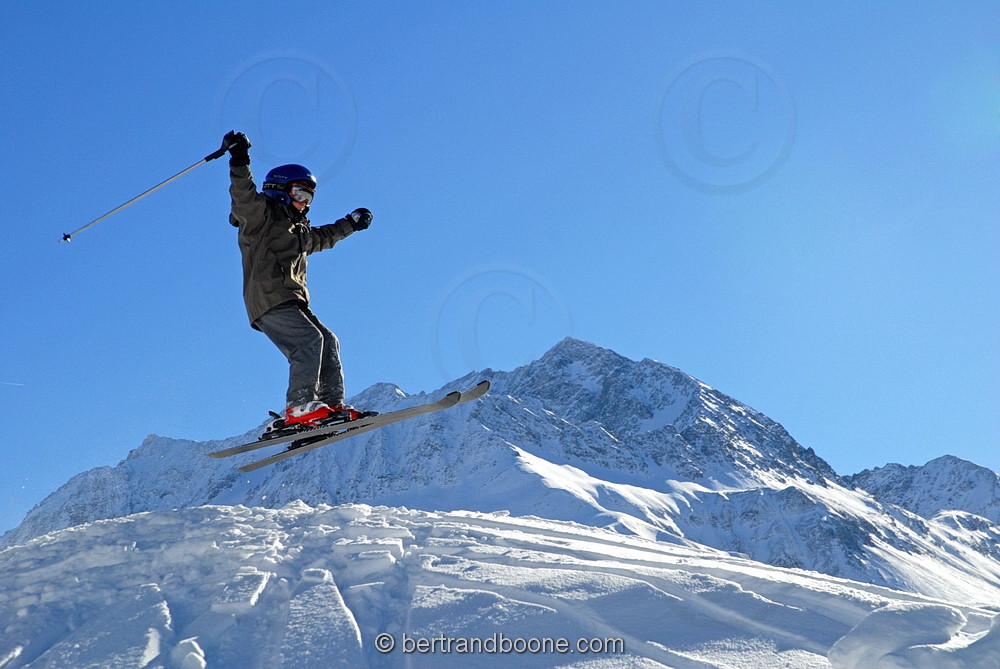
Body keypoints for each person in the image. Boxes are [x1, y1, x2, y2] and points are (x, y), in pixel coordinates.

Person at [222, 131, 374, 437]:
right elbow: (243, 194)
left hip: (290, 300)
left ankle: (328, 407)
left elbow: (323, 237)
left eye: (309, 198)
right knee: (309, 342)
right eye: (300, 195)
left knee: (328, 341)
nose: (305, 204)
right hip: (268, 298)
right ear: (280, 190)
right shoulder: (260, 218)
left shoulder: (297, 231)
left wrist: (351, 223)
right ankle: (300, 405)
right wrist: (240, 158)